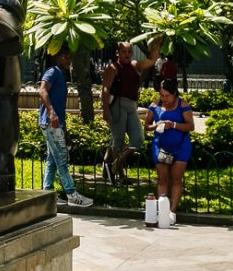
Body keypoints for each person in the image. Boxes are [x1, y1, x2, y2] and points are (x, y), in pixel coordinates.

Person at [102, 37, 162, 184]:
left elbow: (152, 60)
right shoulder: (113, 68)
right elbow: (105, 89)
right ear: (118, 53)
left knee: (138, 139)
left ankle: (112, 165)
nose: (127, 54)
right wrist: (105, 110)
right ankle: (119, 175)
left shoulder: (135, 65)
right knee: (118, 141)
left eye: (129, 51)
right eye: (124, 51)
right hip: (118, 105)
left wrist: (157, 42)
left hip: (132, 105)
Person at [39, 50, 93, 208]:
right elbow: (42, 90)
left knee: (53, 160)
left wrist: (64, 129)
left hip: (55, 123)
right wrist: (51, 113)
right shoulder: (52, 71)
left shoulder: (62, 75)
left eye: (69, 57)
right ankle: (71, 194)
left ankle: (47, 194)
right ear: (57, 57)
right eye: (64, 56)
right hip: (50, 122)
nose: (68, 59)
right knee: (62, 158)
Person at [144, 78, 194, 226]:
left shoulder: (182, 104)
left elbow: (190, 126)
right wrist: (156, 126)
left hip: (181, 145)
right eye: (162, 95)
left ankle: (172, 211)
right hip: (161, 145)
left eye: (167, 96)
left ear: (174, 94)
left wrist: (173, 125)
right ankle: (162, 210)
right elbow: (147, 126)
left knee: (176, 178)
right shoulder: (155, 105)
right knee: (162, 178)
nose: (164, 99)